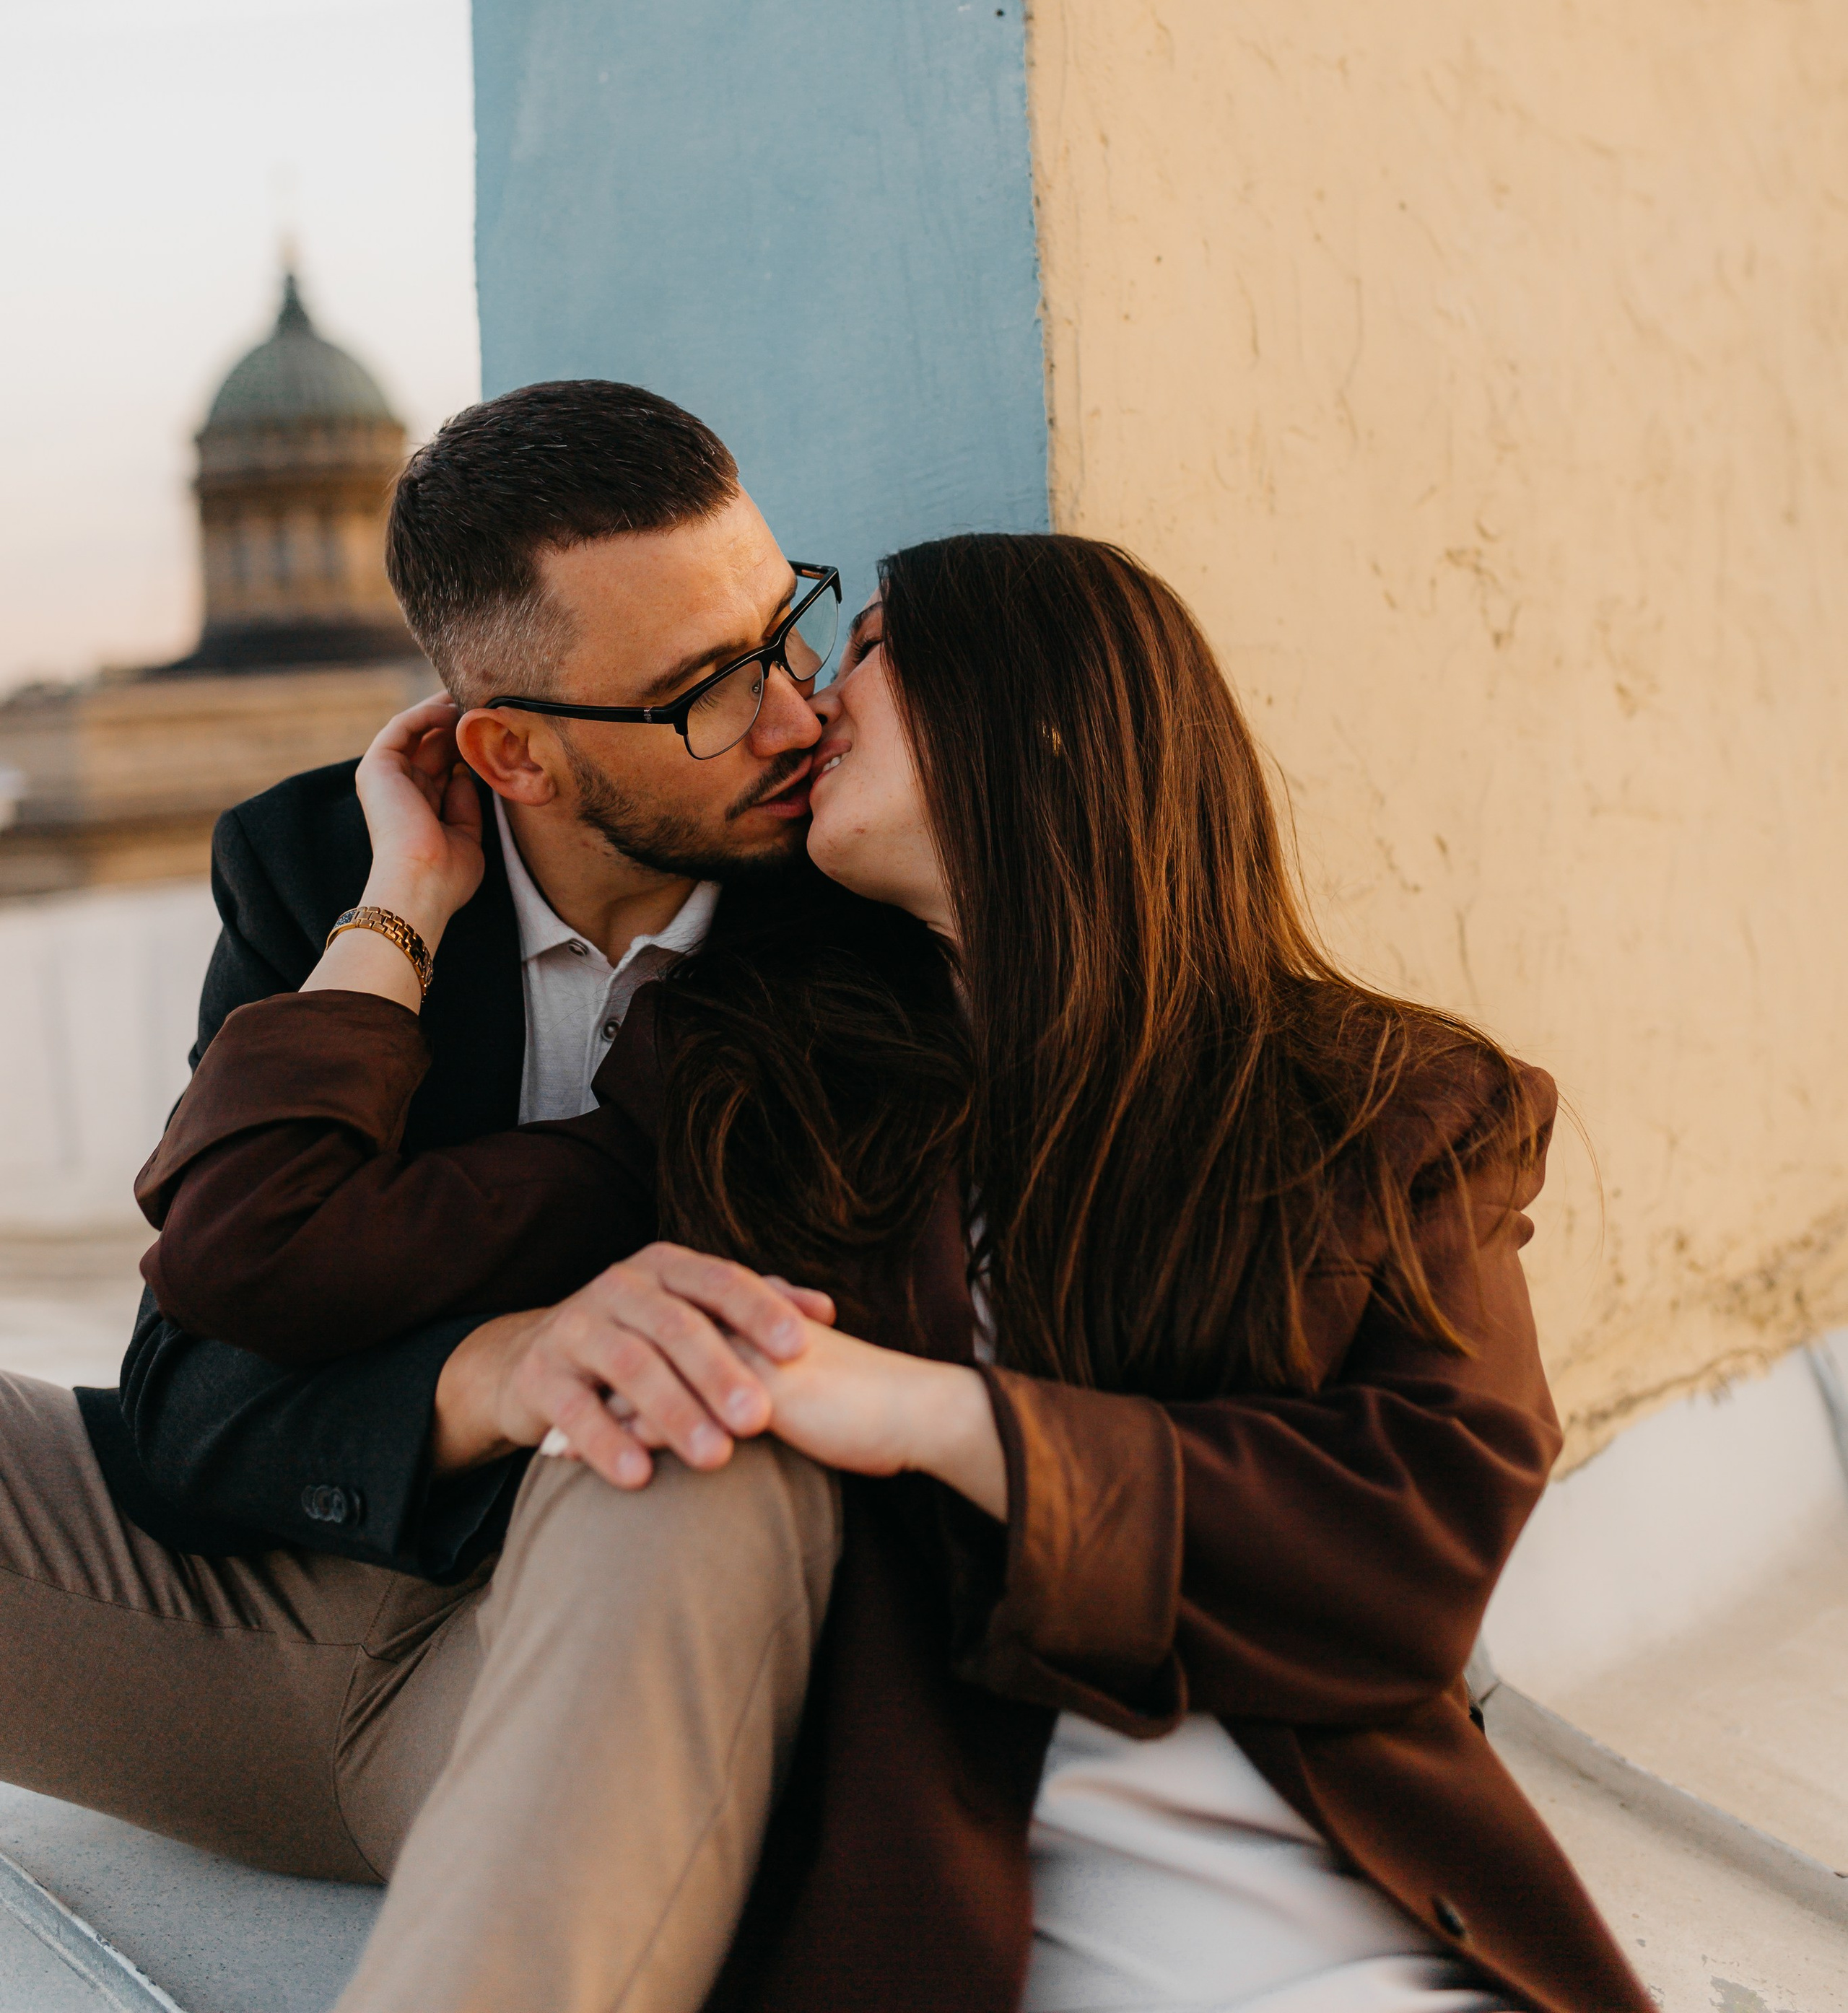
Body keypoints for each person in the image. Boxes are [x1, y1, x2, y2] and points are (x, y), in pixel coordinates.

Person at [140, 534, 1654, 2013]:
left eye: (864, 649)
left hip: (1355, 1921)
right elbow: (272, 1245)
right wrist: (401, 894)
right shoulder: (755, 1097)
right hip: (957, 1915)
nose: (810, 707)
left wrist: (934, 1417)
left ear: (1035, 721)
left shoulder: (1390, 1107)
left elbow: (1414, 1547)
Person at [0, 377, 942, 2013]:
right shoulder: (317, 861)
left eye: (787, 629)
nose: (795, 716)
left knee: (688, 1430)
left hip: (572, 1655)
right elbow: (186, 1394)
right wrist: (397, 915)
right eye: (708, 693)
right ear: (507, 749)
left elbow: (271, 1264)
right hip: (246, 1609)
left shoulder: (851, 915)